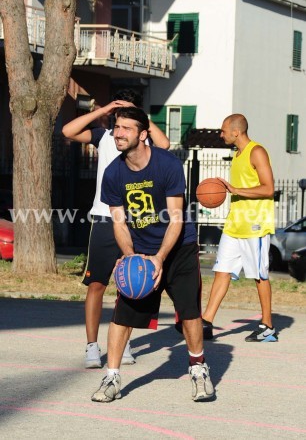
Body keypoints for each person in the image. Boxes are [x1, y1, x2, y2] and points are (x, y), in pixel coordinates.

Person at [91, 107, 215, 403]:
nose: (118, 133)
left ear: (143, 134)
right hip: (142, 250)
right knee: (123, 316)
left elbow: (176, 218)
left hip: (179, 248)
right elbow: (119, 222)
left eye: (126, 128)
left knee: (189, 312)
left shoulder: (167, 165)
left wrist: (160, 257)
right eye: (116, 127)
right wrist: (131, 256)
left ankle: (198, 369)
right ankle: (112, 377)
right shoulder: (113, 173)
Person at [62, 90, 170, 368]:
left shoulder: (139, 137)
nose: (121, 122)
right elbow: (68, 130)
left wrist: (139, 114)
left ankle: (125, 342)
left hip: (135, 221)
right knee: (97, 285)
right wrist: (104, 109)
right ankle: (91, 346)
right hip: (104, 220)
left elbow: (165, 144)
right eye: (118, 115)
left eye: (127, 115)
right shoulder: (104, 136)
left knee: (132, 285)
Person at [202, 113, 277, 342]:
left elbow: (268, 189)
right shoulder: (237, 154)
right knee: (221, 271)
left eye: (223, 130)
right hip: (234, 225)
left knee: (259, 276)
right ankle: (206, 322)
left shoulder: (257, 151)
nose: (221, 134)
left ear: (237, 132)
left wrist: (236, 190)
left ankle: (267, 327)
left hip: (255, 225)